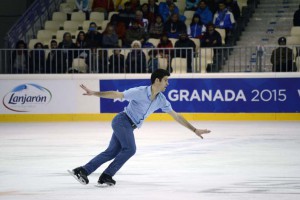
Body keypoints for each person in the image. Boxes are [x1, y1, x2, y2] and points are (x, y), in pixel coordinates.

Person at [69, 69, 211, 186]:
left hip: (128, 126)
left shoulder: (161, 100)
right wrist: (95, 93)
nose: (168, 83)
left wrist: (194, 130)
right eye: (166, 80)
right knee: (130, 149)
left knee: (111, 152)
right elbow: (117, 94)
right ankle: (106, 175)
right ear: (157, 80)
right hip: (122, 121)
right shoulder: (140, 91)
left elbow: (176, 116)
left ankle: (83, 170)